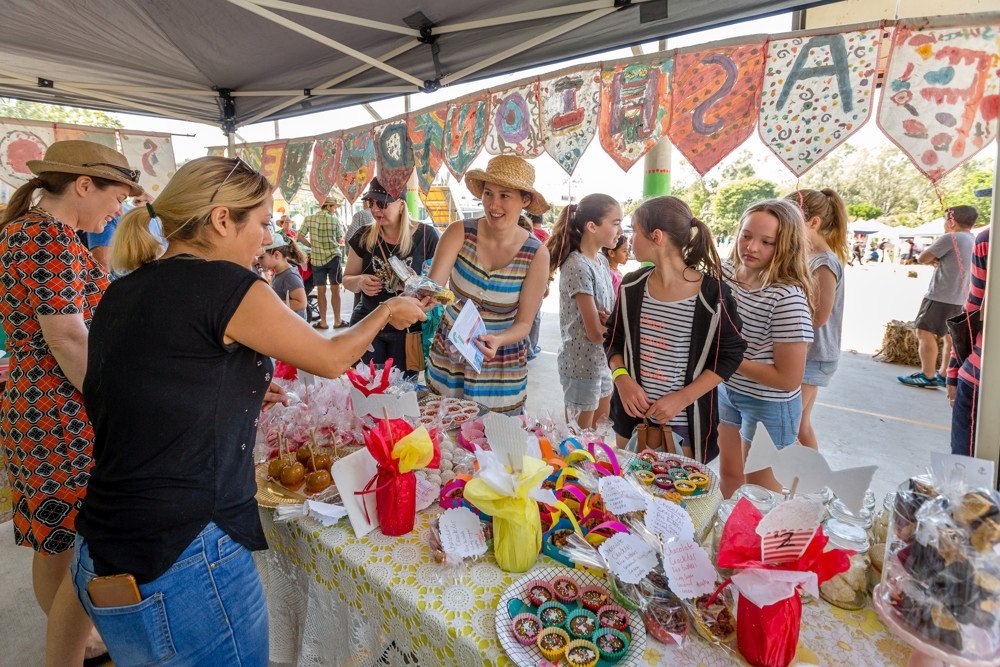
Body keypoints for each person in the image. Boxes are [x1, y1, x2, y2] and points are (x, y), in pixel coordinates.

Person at [61, 156, 426, 666]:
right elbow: (331, 357)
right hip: (184, 556)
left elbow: (149, 389)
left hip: (104, 544)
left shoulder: (125, 290)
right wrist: (388, 310)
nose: (265, 238)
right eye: (259, 223)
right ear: (221, 220)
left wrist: (237, 390)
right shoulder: (228, 286)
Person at [0, 140, 141, 664]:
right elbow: (67, 338)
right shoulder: (47, 238)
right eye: (116, 195)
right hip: (60, 413)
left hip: (42, 406)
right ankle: (73, 643)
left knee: (56, 536)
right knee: (71, 539)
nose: (119, 209)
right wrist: (114, 403)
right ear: (84, 185)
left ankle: (75, 638)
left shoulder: (33, 232)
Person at [605, 196, 746, 463]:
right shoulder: (631, 286)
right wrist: (622, 379)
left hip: (686, 426)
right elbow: (613, 339)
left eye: (634, 230)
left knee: (678, 499)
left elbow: (731, 354)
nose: (630, 239)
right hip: (630, 420)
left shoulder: (713, 296)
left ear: (656, 236)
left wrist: (682, 399)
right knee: (627, 494)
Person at [427, 155, 551, 415]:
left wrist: (498, 339)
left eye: (505, 196)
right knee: (444, 436)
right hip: (452, 354)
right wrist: (417, 299)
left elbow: (524, 324)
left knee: (496, 444)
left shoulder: (536, 254)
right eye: (488, 194)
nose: (494, 205)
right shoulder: (459, 232)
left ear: (524, 200)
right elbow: (434, 289)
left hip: (500, 365)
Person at [718, 199, 814, 497]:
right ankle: (731, 538)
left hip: (769, 402)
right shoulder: (726, 272)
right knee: (729, 476)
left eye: (766, 242)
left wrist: (728, 358)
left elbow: (788, 379)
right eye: (746, 235)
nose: (752, 247)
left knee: (762, 493)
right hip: (726, 390)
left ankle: (761, 543)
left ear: (786, 246)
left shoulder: (786, 298)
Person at [343, 177, 439, 377]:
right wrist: (360, 282)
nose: (376, 210)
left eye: (383, 204)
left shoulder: (426, 236)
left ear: (401, 204)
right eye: (372, 203)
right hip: (369, 322)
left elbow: (438, 286)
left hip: (408, 328)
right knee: (368, 386)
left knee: (403, 390)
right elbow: (347, 279)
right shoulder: (363, 235)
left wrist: (419, 289)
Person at [545, 194, 622, 430]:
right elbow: (595, 333)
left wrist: (610, 324)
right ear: (592, 226)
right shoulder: (577, 264)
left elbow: (608, 320)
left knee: (599, 429)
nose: (620, 231)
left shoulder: (600, 260)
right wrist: (614, 327)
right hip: (581, 365)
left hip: (602, 360)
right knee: (579, 440)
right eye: (616, 223)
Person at [787, 189, 848, 451]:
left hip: (814, 357)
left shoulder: (823, 263)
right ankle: (815, 483)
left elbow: (819, 316)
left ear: (813, 223)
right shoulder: (809, 258)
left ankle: (801, 483)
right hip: (810, 355)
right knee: (800, 425)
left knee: (788, 425)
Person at [897, 206, 977, 389]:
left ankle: (928, 375)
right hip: (961, 298)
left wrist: (935, 258)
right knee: (949, 338)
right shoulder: (973, 239)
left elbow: (923, 258)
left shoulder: (952, 237)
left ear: (951, 221)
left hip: (941, 295)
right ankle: (943, 374)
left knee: (923, 331)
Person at [948, 226, 988, 456]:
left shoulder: (988, 238)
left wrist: (954, 369)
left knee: (967, 476)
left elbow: (973, 309)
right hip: (978, 373)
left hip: (980, 375)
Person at [298, 195, 346, 329]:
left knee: (321, 290)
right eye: (334, 207)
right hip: (333, 258)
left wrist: (312, 246)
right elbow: (338, 239)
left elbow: (300, 236)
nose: (335, 209)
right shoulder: (334, 220)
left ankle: (323, 322)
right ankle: (337, 321)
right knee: (335, 289)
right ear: (329, 206)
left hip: (317, 259)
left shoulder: (309, 219)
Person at [260, 236, 309, 319]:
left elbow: (302, 304)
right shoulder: (279, 273)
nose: (258, 261)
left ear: (276, 255)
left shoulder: (290, 276)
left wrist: (272, 304)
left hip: (293, 326)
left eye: (261, 257)